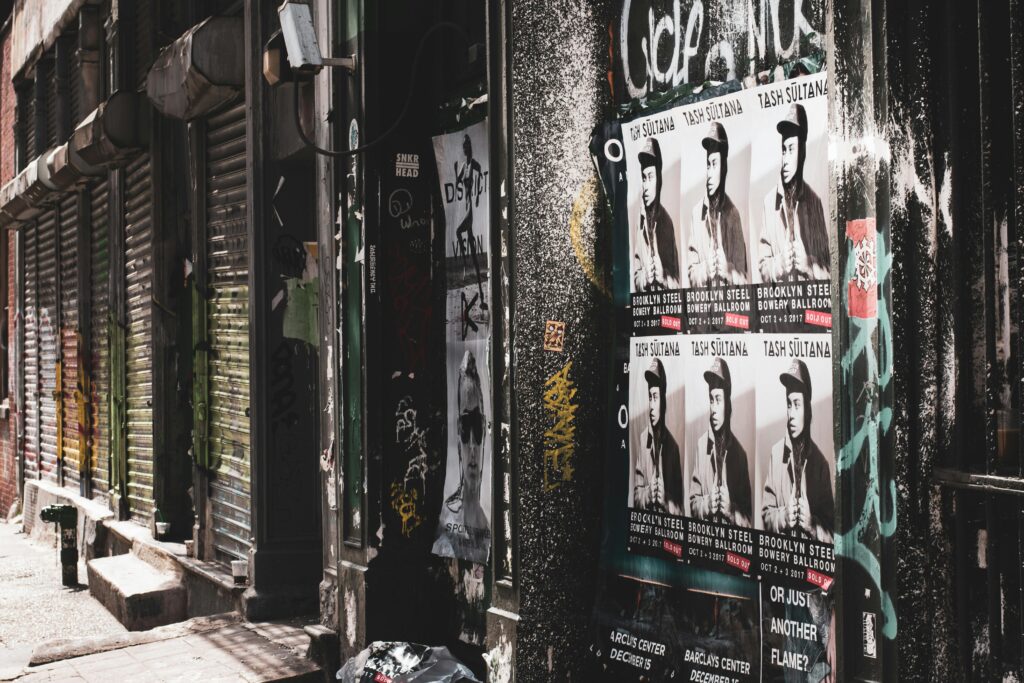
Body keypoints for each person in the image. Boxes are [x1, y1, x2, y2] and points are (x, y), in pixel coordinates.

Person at [761, 359, 834, 542]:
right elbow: (765, 515)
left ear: (807, 409)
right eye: (788, 404)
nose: (791, 414)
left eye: (797, 404)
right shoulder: (776, 453)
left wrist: (812, 525)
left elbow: (833, 537)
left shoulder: (820, 465)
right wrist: (783, 517)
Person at [758, 103, 829, 283]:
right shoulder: (769, 201)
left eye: (791, 149)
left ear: (802, 152)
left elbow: (829, 267)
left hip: (807, 307)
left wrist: (809, 265)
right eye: (784, 150)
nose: (786, 159)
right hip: (780, 308)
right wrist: (779, 265)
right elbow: (762, 267)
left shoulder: (814, 202)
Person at [433, 349, 490, 562]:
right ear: (458, 433)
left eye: (478, 427)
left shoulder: (489, 529)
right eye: (467, 428)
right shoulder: (446, 530)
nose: (473, 447)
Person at [689, 358, 752, 527]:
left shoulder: (740, 455)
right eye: (711, 400)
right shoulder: (701, 446)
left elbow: (749, 520)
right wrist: (707, 504)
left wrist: (731, 511)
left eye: (718, 399)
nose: (714, 408)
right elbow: (692, 503)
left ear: (727, 403)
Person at [688, 123, 748, 287]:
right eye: (708, 165)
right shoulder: (696, 213)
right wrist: (705, 269)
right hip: (704, 310)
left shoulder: (733, 214)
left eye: (714, 164)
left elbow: (743, 277)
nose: (709, 172)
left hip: (728, 308)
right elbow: (690, 273)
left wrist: (728, 271)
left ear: (723, 168)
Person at [634, 358, 684, 515]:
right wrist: (647, 495)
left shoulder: (673, 447)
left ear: (663, 399)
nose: (651, 405)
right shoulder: (643, 440)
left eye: (655, 397)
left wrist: (666, 502)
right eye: (650, 397)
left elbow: (680, 509)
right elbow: (636, 495)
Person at [632, 138, 682, 292]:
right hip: (646, 310)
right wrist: (643, 278)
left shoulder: (667, 222)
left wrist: (664, 278)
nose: (646, 186)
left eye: (651, 177)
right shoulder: (639, 220)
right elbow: (636, 273)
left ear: (659, 179)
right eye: (644, 178)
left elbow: (677, 281)